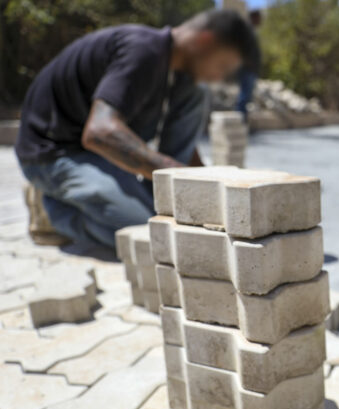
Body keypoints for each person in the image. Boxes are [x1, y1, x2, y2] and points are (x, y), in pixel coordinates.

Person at [14, 9, 259, 250]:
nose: (218, 77)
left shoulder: (171, 68)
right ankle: (51, 212)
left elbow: (181, 147)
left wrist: (210, 192)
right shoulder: (144, 50)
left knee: (196, 92)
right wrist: (180, 175)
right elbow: (99, 133)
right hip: (53, 153)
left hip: (96, 151)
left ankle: (164, 194)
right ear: (207, 40)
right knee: (152, 233)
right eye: (223, 66)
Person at [235, 9, 262, 120]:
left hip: (250, 69)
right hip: (247, 70)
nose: (260, 20)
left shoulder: (251, 31)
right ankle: (240, 121)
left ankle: (242, 121)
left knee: (246, 97)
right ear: (253, 18)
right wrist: (249, 64)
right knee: (244, 97)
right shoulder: (247, 31)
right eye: (259, 18)